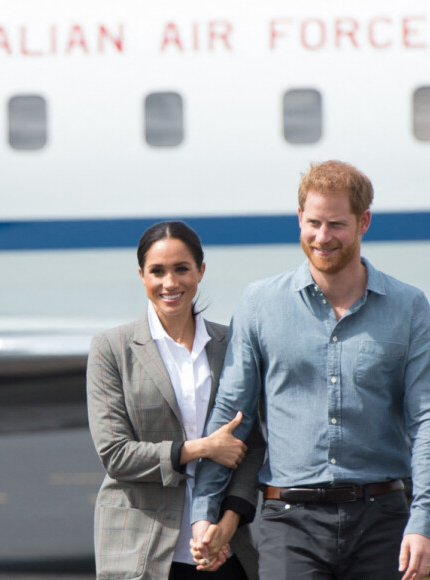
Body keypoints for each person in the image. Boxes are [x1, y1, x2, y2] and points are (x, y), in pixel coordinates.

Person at [190, 161, 430, 580]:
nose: (322, 237)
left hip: (382, 521)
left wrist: (425, 520)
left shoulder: (408, 306)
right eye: (313, 222)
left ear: (363, 221)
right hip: (289, 522)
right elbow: (230, 419)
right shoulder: (260, 304)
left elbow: (429, 421)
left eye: (336, 224)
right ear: (299, 218)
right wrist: (204, 510)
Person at [86, 221, 265, 580]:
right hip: (141, 552)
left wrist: (227, 525)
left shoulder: (232, 344)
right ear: (141, 275)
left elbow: (253, 445)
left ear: (200, 271)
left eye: (182, 269)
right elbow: (115, 455)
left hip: (222, 550)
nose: (170, 283)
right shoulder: (111, 348)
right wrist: (201, 449)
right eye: (157, 271)